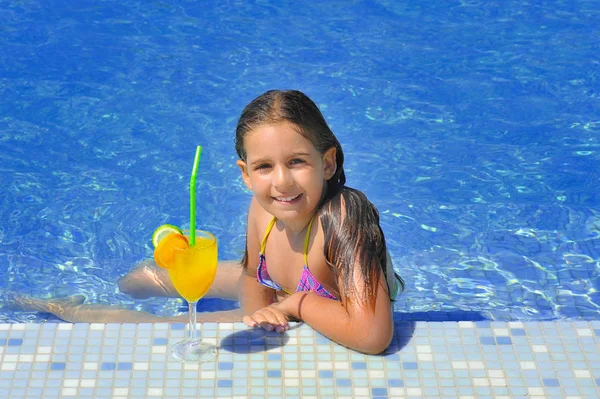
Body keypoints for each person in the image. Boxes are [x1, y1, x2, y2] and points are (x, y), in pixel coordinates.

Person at [14, 89, 404, 355]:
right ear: (246, 173)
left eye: (297, 161)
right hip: (274, 287)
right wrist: (258, 307)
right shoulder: (264, 208)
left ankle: (65, 309)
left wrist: (294, 305)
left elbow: (373, 335)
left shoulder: (343, 219)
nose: (282, 182)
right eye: (264, 167)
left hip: (302, 295)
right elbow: (253, 274)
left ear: (328, 162)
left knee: (173, 324)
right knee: (136, 279)